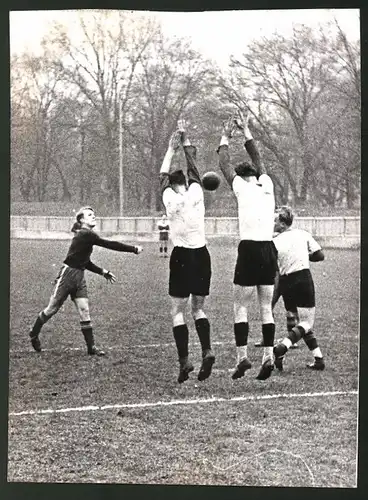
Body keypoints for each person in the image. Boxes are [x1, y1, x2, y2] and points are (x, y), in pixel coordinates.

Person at [28, 206, 143, 356]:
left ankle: (91, 348)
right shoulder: (85, 234)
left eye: (94, 214)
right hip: (67, 276)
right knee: (52, 309)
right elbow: (109, 244)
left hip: (79, 276)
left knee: (84, 309)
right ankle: (33, 333)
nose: (93, 217)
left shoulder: (87, 235)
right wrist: (133, 249)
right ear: (81, 220)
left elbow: (85, 262)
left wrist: (103, 272)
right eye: (89, 215)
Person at [217, 110, 278, 381]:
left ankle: (242, 357)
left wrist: (225, 136)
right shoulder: (267, 184)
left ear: (242, 177)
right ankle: (268, 355)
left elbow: (223, 164)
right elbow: (258, 158)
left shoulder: (240, 186)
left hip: (249, 249)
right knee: (266, 307)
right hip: (268, 249)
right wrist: (247, 130)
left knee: (240, 306)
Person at [159, 121, 215, 384]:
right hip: (202, 254)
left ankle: (184, 362)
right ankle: (207, 350)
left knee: (177, 312)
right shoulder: (196, 192)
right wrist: (184, 138)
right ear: (187, 183)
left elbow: (162, 177)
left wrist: (170, 150)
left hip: (181, 256)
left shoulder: (169, 199)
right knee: (198, 309)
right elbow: (193, 165)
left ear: (171, 184)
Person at [272, 206, 325, 371]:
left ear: (282, 223)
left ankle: (319, 359)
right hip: (302, 278)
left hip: (285, 282)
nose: (272, 223)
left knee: (301, 324)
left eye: (274, 220)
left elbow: (272, 267)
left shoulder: (273, 241)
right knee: (307, 323)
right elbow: (320, 255)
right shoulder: (302, 234)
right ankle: (283, 346)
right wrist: (303, 255)